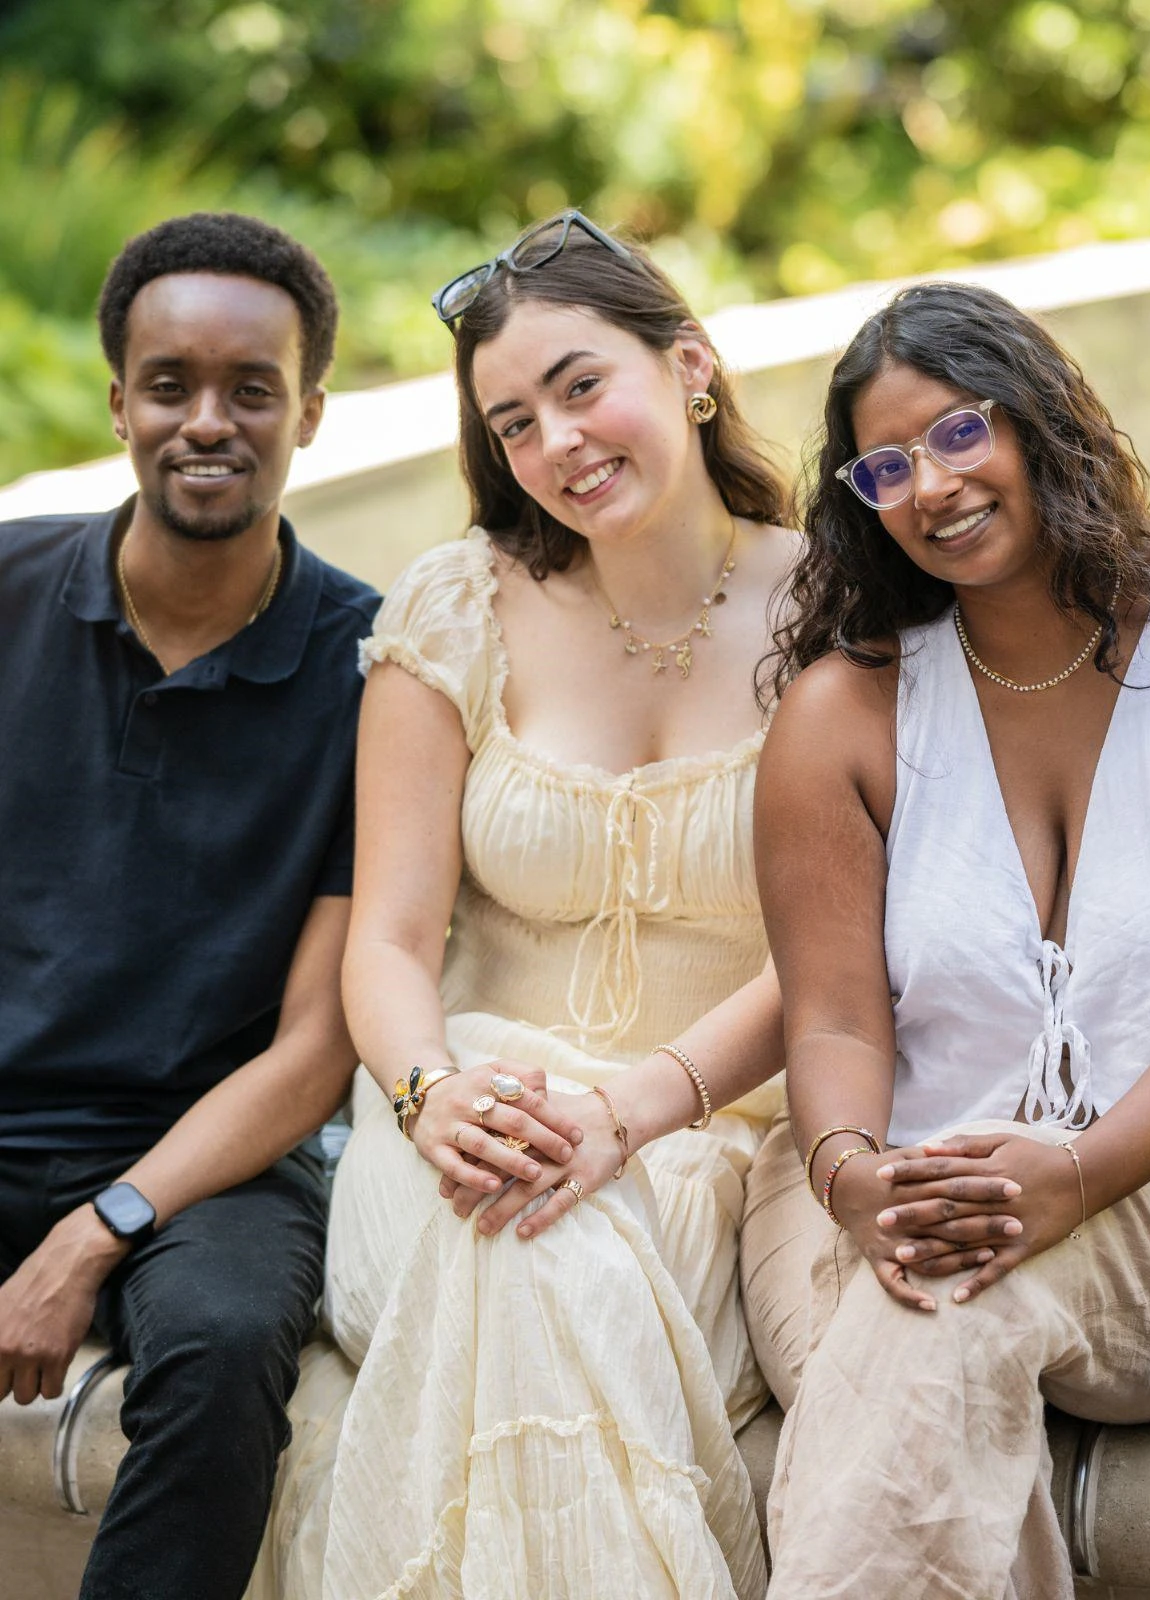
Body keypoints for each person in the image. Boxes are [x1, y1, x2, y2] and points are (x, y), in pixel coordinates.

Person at [739, 279, 1150, 1597]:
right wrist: (854, 1177)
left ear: (1042, 419)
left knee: (947, 1314)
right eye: (887, 467)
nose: (932, 485)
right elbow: (833, 1018)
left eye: (961, 432)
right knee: (931, 1319)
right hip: (871, 1171)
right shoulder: (844, 713)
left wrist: (1073, 1174)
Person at [275, 212, 795, 1600]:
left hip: (707, 1137)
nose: (557, 442)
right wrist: (429, 1096)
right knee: (515, 1224)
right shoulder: (459, 608)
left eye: (581, 386)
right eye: (513, 423)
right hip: (456, 1117)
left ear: (690, 366)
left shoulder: (838, 612)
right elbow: (390, 941)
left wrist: (632, 1113)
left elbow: (843, 953)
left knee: (555, 1256)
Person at [0, 213, 377, 1600]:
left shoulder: (375, 667)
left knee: (221, 1352)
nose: (206, 422)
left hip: (217, 1161)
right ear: (120, 404)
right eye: (170, 385)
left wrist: (96, 1228)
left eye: (251, 389)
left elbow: (317, 1049)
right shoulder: (6, 592)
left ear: (310, 413)